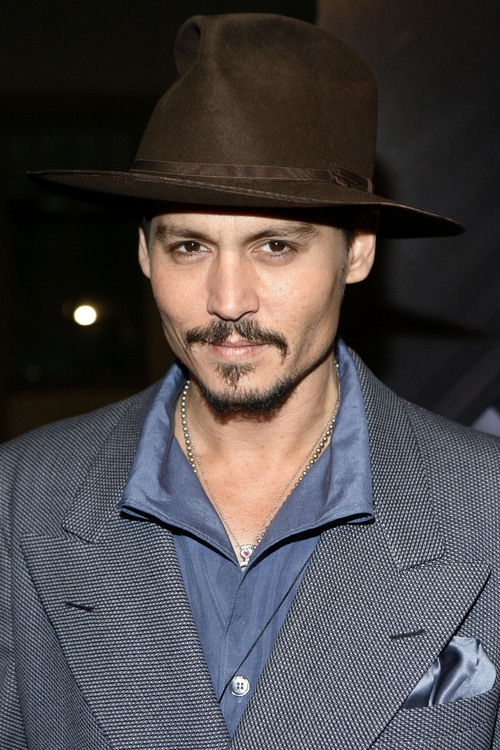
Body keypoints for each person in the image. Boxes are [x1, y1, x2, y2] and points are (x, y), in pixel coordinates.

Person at [1, 13, 499, 750]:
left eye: (275, 246)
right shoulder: (20, 498)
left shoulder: (486, 504)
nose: (228, 300)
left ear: (358, 252)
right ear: (144, 253)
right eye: (189, 245)